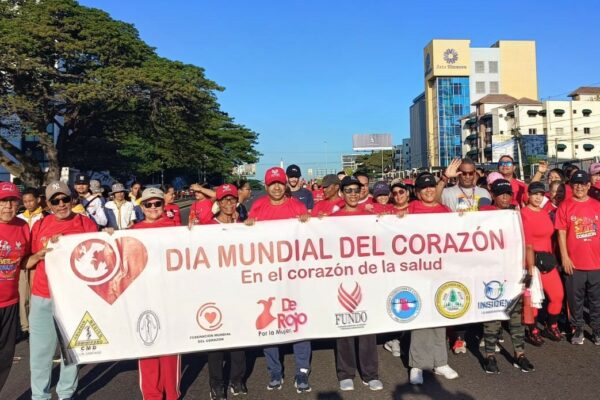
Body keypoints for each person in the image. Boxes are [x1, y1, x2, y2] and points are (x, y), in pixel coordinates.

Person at [29, 181, 98, 400]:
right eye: (55, 201)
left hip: (73, 298)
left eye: (65, 199)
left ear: (72, 199)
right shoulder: (39, 225)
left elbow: (98, 257)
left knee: (71, 350)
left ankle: (66, 393)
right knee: (40, 354)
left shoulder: (86, 223)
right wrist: (41, 252)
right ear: (47, 204)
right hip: (43, 296)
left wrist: (108, 235)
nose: (61, 204)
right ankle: (39, 396)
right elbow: (29, 261)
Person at [247, 167, 312, 393]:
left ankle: (302, 370)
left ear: (285, 185)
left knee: (299, 320)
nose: (276, 187)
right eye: (272, 183)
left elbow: (311, 237)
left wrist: (308, 221)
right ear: (266, 186)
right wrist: (248, 227)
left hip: (295, 276)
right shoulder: (258, 207)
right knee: (268, 322)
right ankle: (274, 369)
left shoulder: (297, 206)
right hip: (267, 276)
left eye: (279, 183)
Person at [330, 176, 382, 391]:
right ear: (341, 193)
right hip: (342, 277)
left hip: (366, 277)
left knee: (367, 327)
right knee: (345, 325)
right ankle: (346, 372)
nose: (352, 193)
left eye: (356, 190)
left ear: (362, 192)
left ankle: (370, 374)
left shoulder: (372, 217)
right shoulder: (332, 219)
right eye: (348, 190)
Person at [479, 179, 535, 374]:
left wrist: (530, 270)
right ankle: (489, 356)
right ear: (492, 195)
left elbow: (528, 244)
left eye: (507, 193)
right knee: (493, 314)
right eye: (500, 193)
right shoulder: (483, 214)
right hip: (491, 273)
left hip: (514, 272)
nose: (504, 197)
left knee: (515, 316)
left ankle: (520, 354)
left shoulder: (516, 214)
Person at [407, 173, 458, 385]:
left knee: (440, 315)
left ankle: (440, 362)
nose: (428, 190)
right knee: (420, 319)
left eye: (431, 187)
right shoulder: (409, 210)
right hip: (417, 271)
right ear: (417, 192)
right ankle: (417, 365)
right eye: (424, 188)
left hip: (441, 271)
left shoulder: (445, 210)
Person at [132, 188, 181, 399]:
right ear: (142, 207)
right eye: (148, 204)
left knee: (170, 348)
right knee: (147, 345)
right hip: (143, 297)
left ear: (164, 205)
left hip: (169, 296)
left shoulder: (175, 229)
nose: (153, 208)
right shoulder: (132, 230)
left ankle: (171, 392)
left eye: (157, 204)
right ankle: (151, 394)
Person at [439, 158, 492, 354]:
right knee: (460, 293)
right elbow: (432, 200)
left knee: (479, 293)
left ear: (476, 174)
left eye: (471, 173)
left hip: (480, 253)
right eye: (463, 173)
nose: (468, 176)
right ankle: (458, 336)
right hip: (457, 252)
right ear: (458, 173)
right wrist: (445, 178)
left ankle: (479, 332)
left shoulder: (484, 193)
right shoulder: (449, 192)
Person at [206, 184, 248, 399]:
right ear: (218, 203)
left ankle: (237, 379)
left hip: (239, 291)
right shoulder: (207, 227)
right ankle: (216, 384)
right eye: (225, 200)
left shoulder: (243, 225)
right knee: (216, 342)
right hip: (214, 292)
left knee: (239, 340)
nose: (229, 204)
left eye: (232, 200)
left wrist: (252, 229)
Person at [555, 170, 600, 345]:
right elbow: (561, 232)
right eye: (576, 184)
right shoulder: (565, 206)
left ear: (589, 185)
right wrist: (565, 257)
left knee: (596, 300)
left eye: (583, 184)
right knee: (575, 300)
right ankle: (577, 328)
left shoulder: (597, 205)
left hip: (596, 263)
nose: (579, 187)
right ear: (571, 186)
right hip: (574, 264)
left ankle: (597, 330)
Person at [521, 182, 564, 344]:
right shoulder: (524, 214)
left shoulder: (545, 212)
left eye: (541, 194)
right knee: (533, 300)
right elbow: (528, 244)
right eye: (534, 194)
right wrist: (530, 269)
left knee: (557, 295)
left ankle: (551, 325)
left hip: (547, 260)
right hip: (531, 261)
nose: (538, 197)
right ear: (528, 195)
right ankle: (532, 330)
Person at [0, 183, 31, 394]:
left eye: (12, 201)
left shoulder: (23, 226)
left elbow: (25, 261)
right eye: (3, 201)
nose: (8, 206)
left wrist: (41, 255)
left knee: (4, 357)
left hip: (10, 302)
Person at [16, 187, 47, 340]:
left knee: (35, 293)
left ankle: (36, 324)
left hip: (38, 258)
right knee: (23, 294)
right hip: (22, 259)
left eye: (31, 201)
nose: (28, 204)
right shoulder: (19, 217)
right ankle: (24, 326)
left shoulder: (45, 216)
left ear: (38, 200)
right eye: (25, 201)